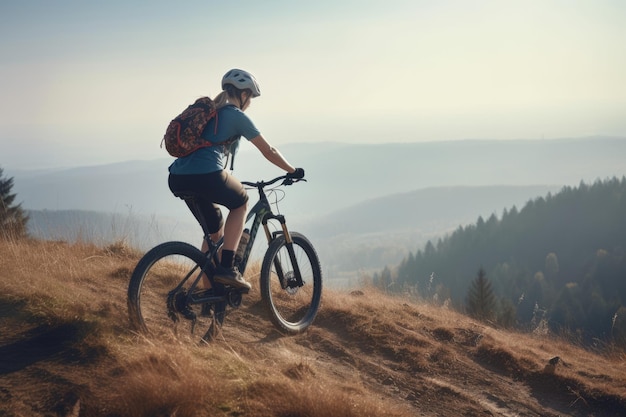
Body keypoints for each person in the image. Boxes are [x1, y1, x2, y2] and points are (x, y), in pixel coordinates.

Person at [168, 69, 304, 291]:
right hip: (207, 175)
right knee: (240, 203)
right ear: (244, 95)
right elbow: (268, 150)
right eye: (250, 98)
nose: (249, 102)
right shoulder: (235, 115)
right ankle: (228, 269)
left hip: (177, 177)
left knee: (213, 234)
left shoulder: (212, 112)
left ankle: (210, 295)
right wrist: (292, 170)